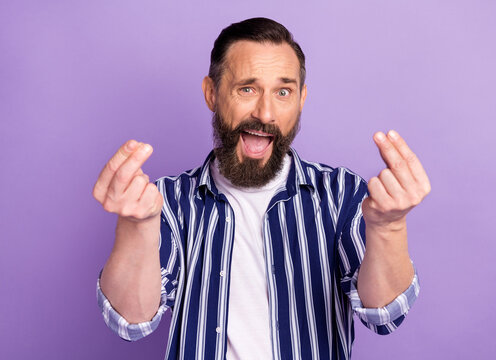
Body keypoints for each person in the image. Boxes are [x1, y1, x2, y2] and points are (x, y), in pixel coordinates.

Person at [93, 17, 430, 360]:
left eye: (283, 92)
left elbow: (385, 315)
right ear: (212, 93)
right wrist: (136, 227)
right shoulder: (166, 203)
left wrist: (389, 228)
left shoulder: (342, 194)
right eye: (247, 89)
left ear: (301, 99)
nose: (266, 112)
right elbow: (130, 323)